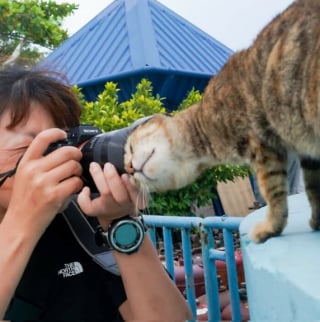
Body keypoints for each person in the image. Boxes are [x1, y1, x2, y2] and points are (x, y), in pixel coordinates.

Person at [0, 65, 192, 321]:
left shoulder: (82, 224)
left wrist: (119, 220)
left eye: (60, 144)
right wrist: (23, 220)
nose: (55, 160)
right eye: (29, 146)